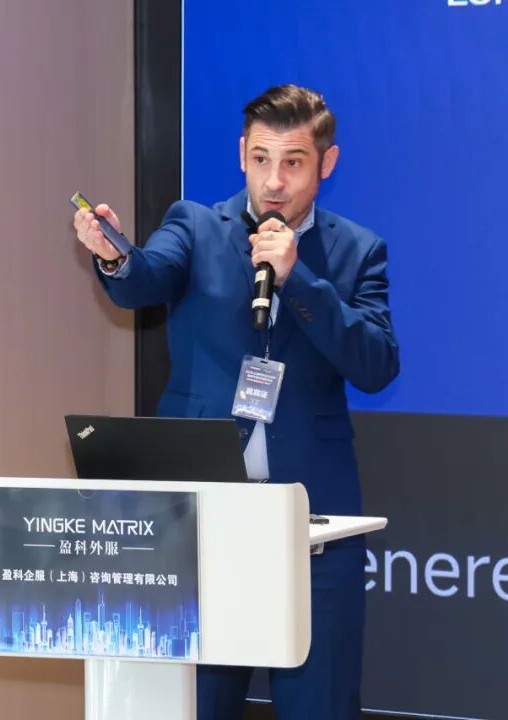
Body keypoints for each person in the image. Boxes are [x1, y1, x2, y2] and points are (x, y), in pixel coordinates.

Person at [72, 84, 399, 720]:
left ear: (326, 163)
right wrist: (114, 255)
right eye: (261, 159)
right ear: (242, 153)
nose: (274, 181)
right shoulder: (195, 226)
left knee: (320, 704)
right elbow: (144, 277)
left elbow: (377, 364)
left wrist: (298, 277)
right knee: (195, 705)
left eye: (294, 162)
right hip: (202, 525)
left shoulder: (358, 250)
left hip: (312, 528)